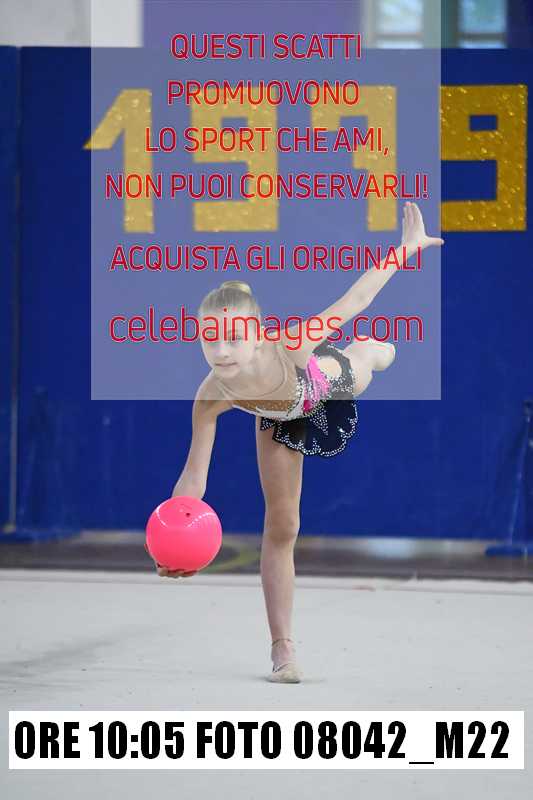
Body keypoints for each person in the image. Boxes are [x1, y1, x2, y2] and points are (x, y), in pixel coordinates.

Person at [148, 202, 444, 683]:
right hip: (277, 418)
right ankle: (282, 647)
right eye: (209, 339)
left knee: (365, 366)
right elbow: (193, 478)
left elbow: (356, 299)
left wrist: (405, 249)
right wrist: (174, 544)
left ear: (256, 335)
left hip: (325, 383)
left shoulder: (289, 343)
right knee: (284, 525)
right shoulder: (210, 395)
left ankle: (367, 350)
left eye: (233, 338)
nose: (221, 351)